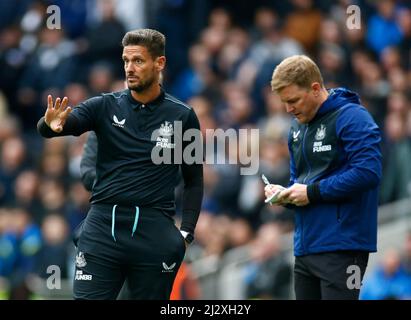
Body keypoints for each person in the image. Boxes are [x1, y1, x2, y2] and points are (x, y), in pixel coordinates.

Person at [37, 29, 204, 300]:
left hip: (154, 233)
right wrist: (50, 125)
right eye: (126, 61)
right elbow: (57, 126)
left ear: (159, 63)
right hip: (103, 228)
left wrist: (186, 232)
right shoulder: (105, 106)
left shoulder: (182, 116)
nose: (129, 68)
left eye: (138, 60)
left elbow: (194, 179)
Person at [265, 55, 382, 300]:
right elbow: (300, 183)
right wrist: (284, 195)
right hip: (305, 248)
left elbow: (368, 172)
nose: (288, 109)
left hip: (344, 247)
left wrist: (311, 192)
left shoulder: (353, 117)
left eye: (294, 100)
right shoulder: (297, 128)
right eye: (284, 102)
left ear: (315, 88)